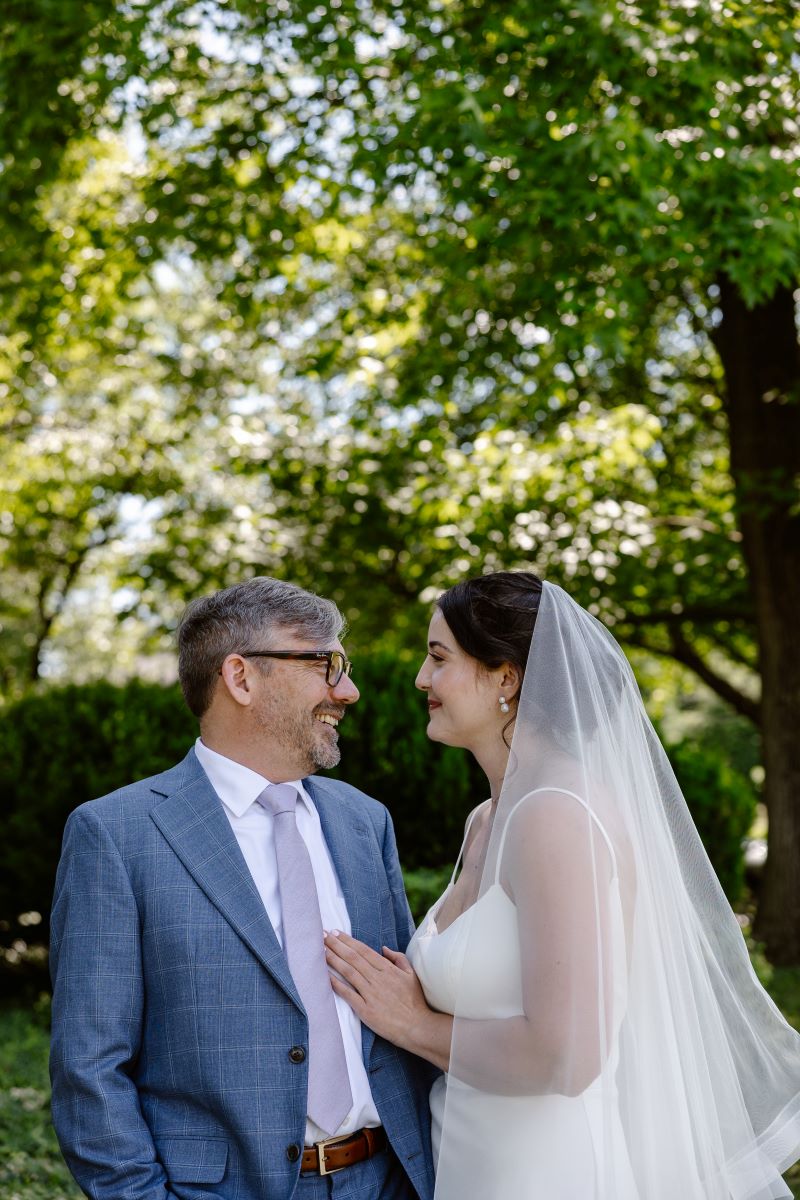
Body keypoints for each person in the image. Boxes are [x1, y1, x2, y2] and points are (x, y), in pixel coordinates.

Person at [325, 571, 800, 1199]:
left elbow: (568, 1056)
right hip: (472, 1160)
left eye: (439, 658)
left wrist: (411, 1023)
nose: (420, 679)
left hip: (545, 1171)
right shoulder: (488, 818)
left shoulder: (556, 815)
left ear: (506, 678)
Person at [49, 577, 436, 1200]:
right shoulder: (116, 833)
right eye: (325, 664)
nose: (349, 690)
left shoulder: (365, 820)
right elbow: (90, 1068)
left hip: (390, 1180)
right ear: (242, 677)